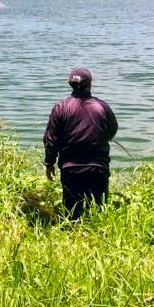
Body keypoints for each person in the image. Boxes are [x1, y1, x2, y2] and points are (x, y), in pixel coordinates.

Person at [43, 67, 118, 219]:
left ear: (69, 84)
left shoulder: (61, 108)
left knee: (72, 215)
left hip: (71, 170)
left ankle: (72, 237)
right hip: (98, 168)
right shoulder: (102, 107)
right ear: (90, 84)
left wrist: (49, 163)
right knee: (98, 213)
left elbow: (51, 140)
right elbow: (112, 131)